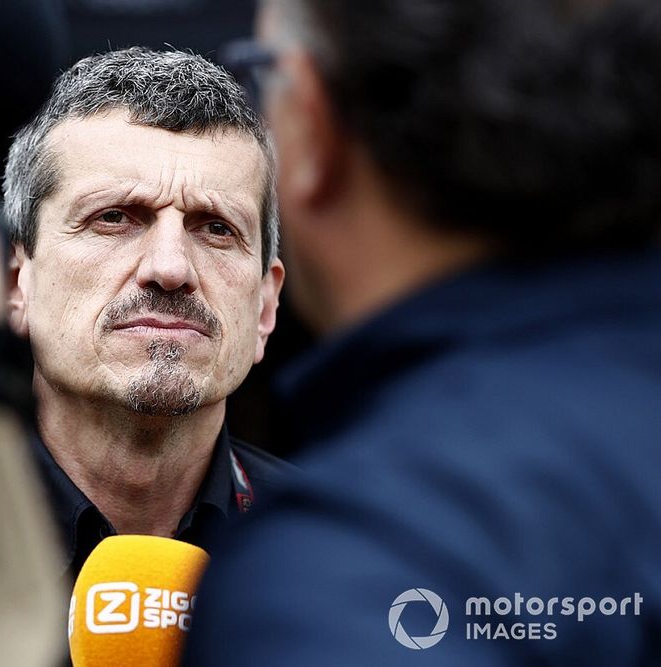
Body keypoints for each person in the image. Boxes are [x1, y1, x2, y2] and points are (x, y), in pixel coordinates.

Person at [184, 0, 661, 664]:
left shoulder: (350, 565)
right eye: (113, 218)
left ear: (315, 128)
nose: (169, 268)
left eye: (264, 74)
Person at [2, 47, 291, 577]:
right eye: (114, 218)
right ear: (16, 281)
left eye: (216, 228)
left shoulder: (352, 551)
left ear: (265, 308)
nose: (170, 267)